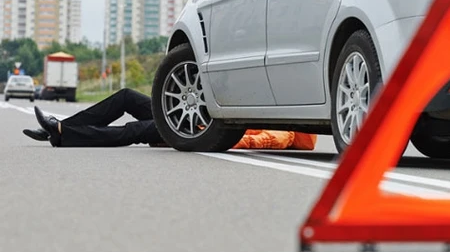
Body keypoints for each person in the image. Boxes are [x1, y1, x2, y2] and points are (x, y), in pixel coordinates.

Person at [24, 88, 317, 150]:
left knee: (136, 130)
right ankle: (62, 128)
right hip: (192, 117)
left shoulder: (287, 132)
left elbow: (252, 141)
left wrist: (206, 134)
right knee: (127, 97)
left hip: (197, 131)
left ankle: (62, 133)